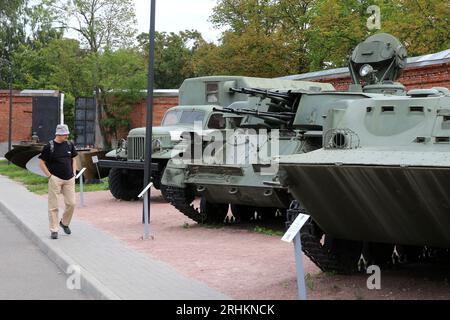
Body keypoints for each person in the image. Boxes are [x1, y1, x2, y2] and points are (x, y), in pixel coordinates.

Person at [38, 124, 78, 239]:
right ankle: (54, 229)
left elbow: (73, 159)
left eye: (67, 134)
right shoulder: (49, 146)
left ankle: (64, 223)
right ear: (58, 134)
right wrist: (50, 176)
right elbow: (41, 163)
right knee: (53, 205)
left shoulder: (70, 145)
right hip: (55, 179)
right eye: (65, 134)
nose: (67, 136)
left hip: (69, 179)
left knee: (71, 203)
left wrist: (74, 173)